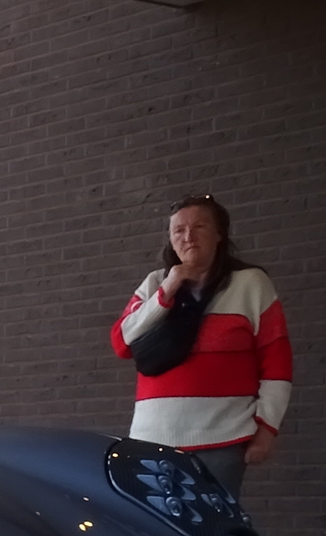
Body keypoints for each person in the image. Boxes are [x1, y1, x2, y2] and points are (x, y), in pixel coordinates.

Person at [109, 194, 290, 497]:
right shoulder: (156, 282)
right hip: (151, 441)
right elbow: (122, 342)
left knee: (211, 534)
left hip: (222, 440)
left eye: (199, 227)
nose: (188, 237)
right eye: (178, 230)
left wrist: (267, 428)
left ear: (219, 234)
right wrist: (170, 287)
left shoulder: (250, 284)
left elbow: (277, 361)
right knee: (157, 535)